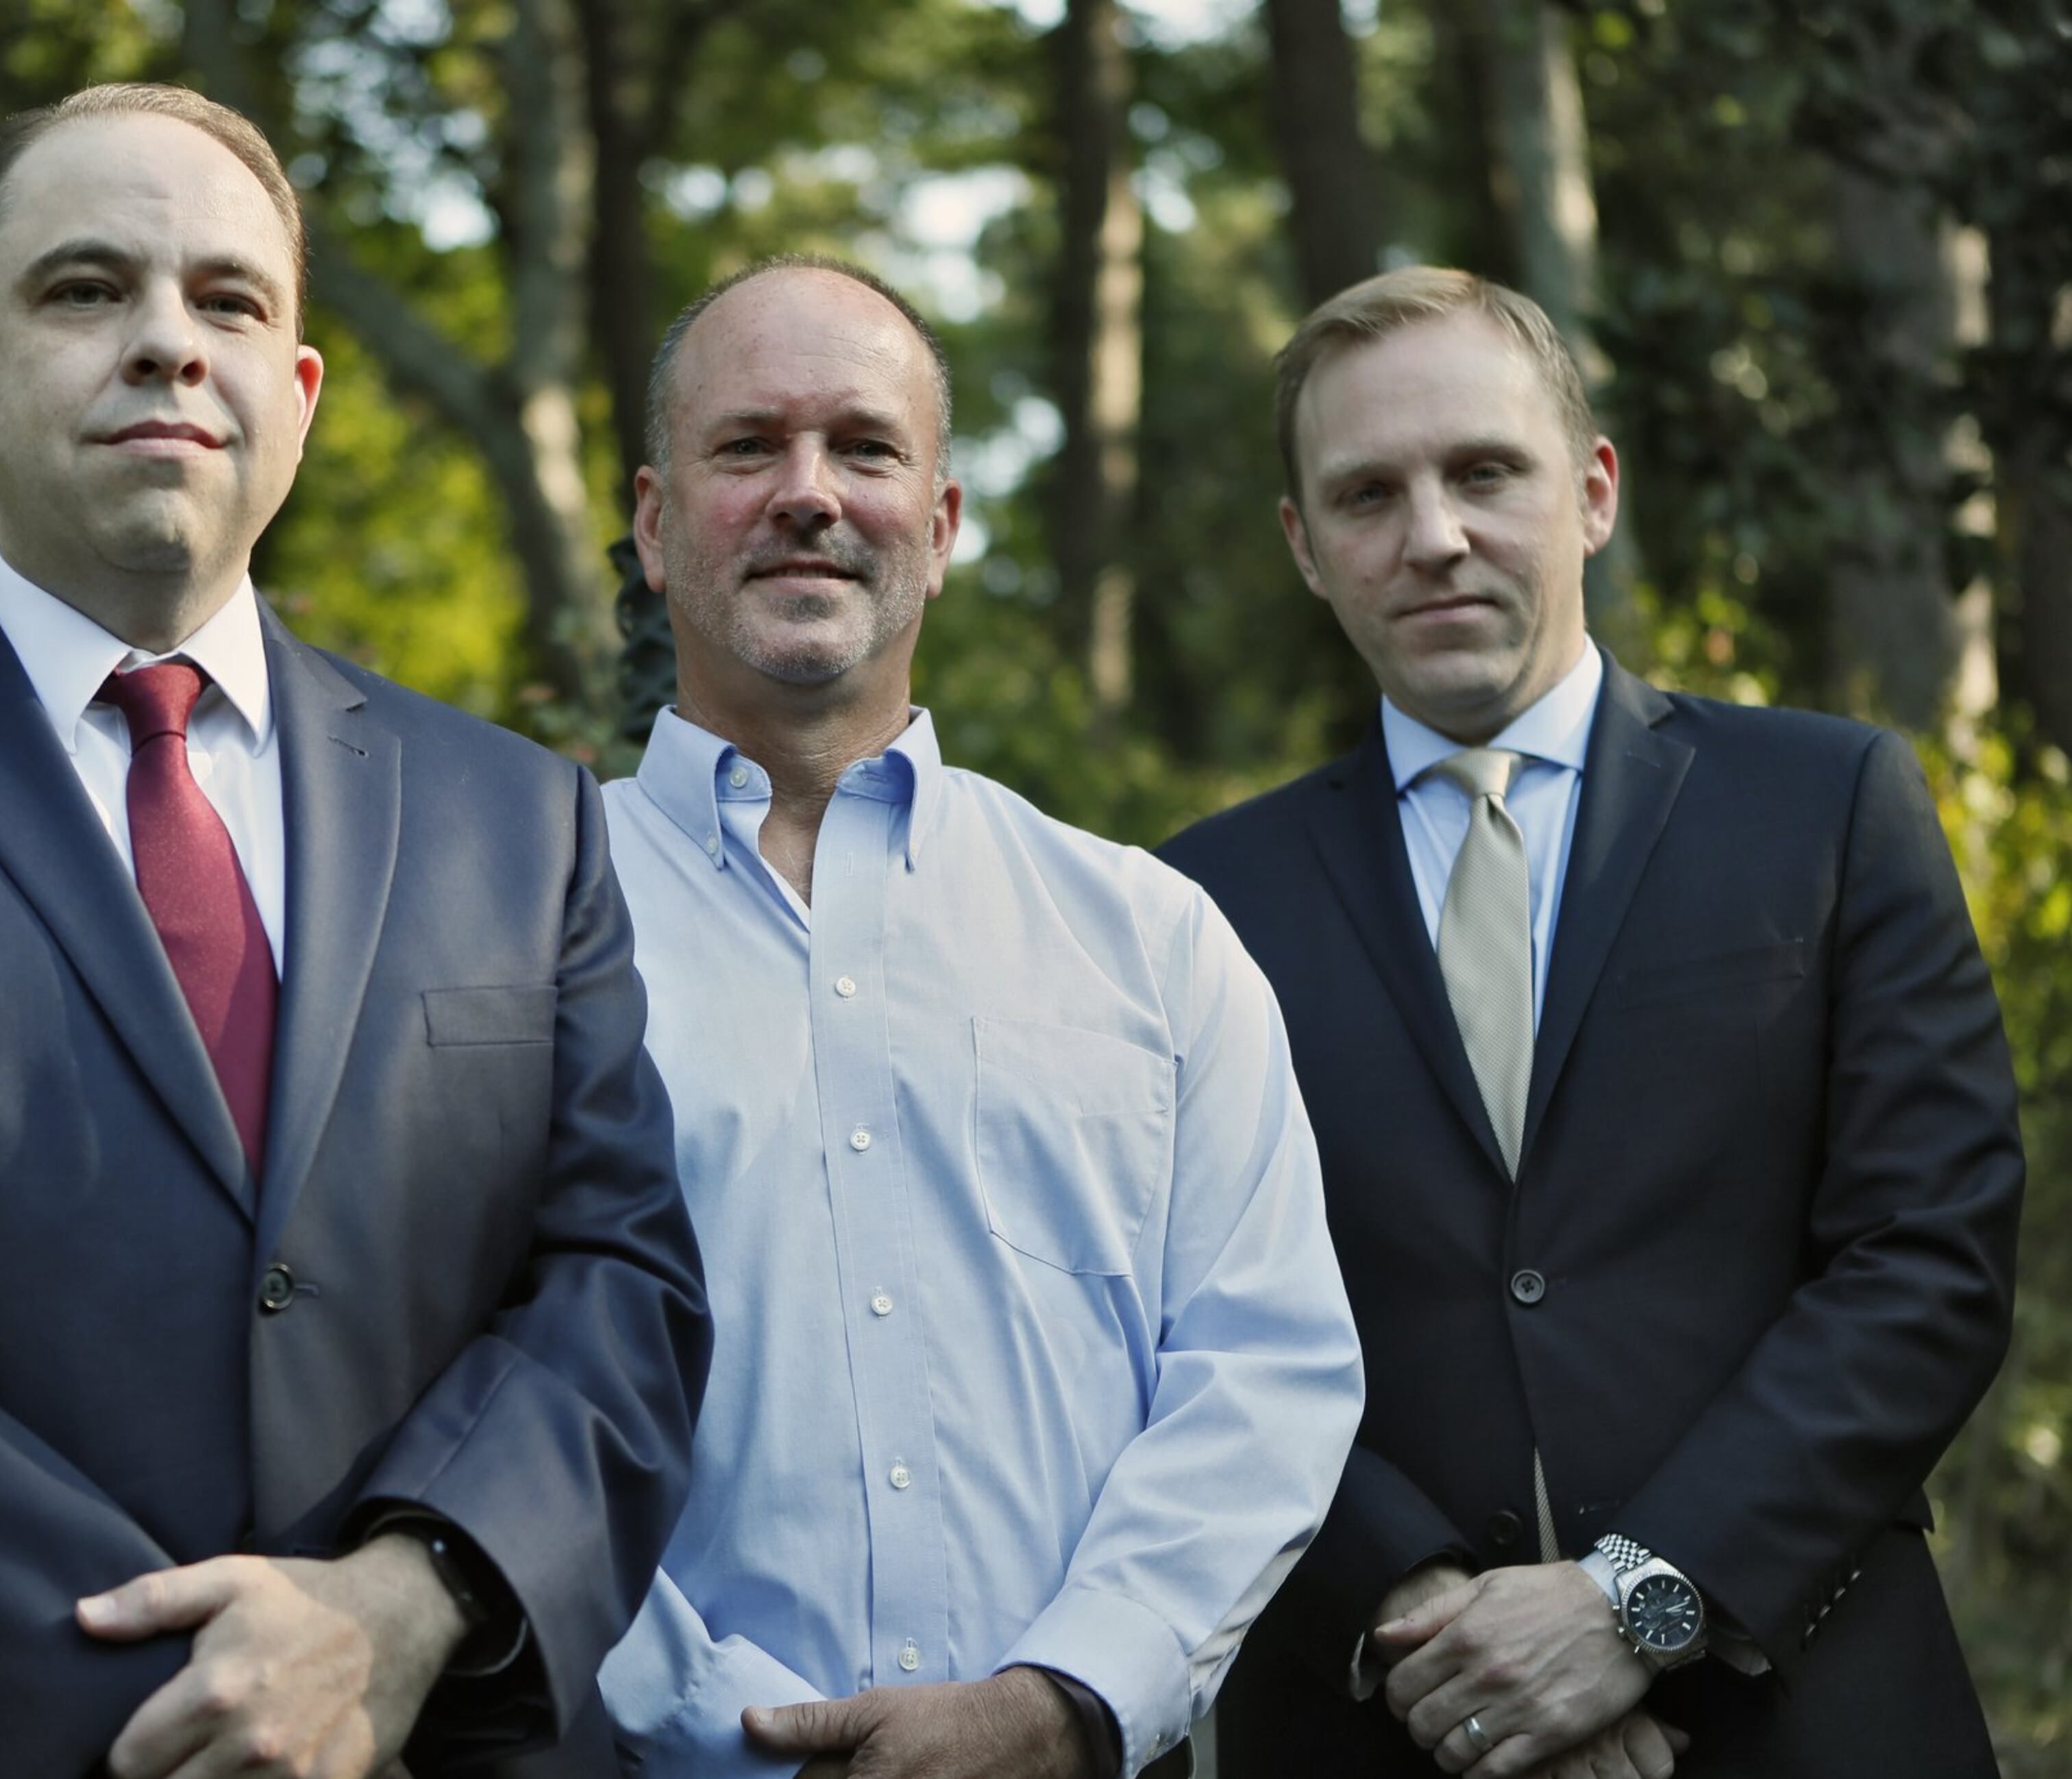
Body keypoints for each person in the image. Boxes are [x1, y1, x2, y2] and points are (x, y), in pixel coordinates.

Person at [0, 83, 708, 1779]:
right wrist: (201, 1710)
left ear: (296, 394)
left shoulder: (522, 819)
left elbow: (621, 1279)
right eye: (86, 290)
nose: (169, 343)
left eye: (229, 300)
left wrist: (404, 1603)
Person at [1159, 266, 2021, 1778]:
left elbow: (1928, 1256)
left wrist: (1637, 1605)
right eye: (1367, 495)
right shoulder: (1188, 904)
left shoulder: (1828, 807)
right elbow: (1171, 1320)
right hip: (1386, 1729)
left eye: (1485, 472)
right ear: (1304, 546)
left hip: (1805, 1715)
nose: (1434, 537)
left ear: (1594, 491)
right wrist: (1430, 1625)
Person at [591, 255, 1364, 1779]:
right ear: (655, 519)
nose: (810, 492)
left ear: (940, 529)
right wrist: (726, 1734)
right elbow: (464, 1381)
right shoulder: (506, 933)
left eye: (866, 448)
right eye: (749, 447)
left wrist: (1063, 1701)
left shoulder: (1150, 940)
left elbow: (1263, 1372)